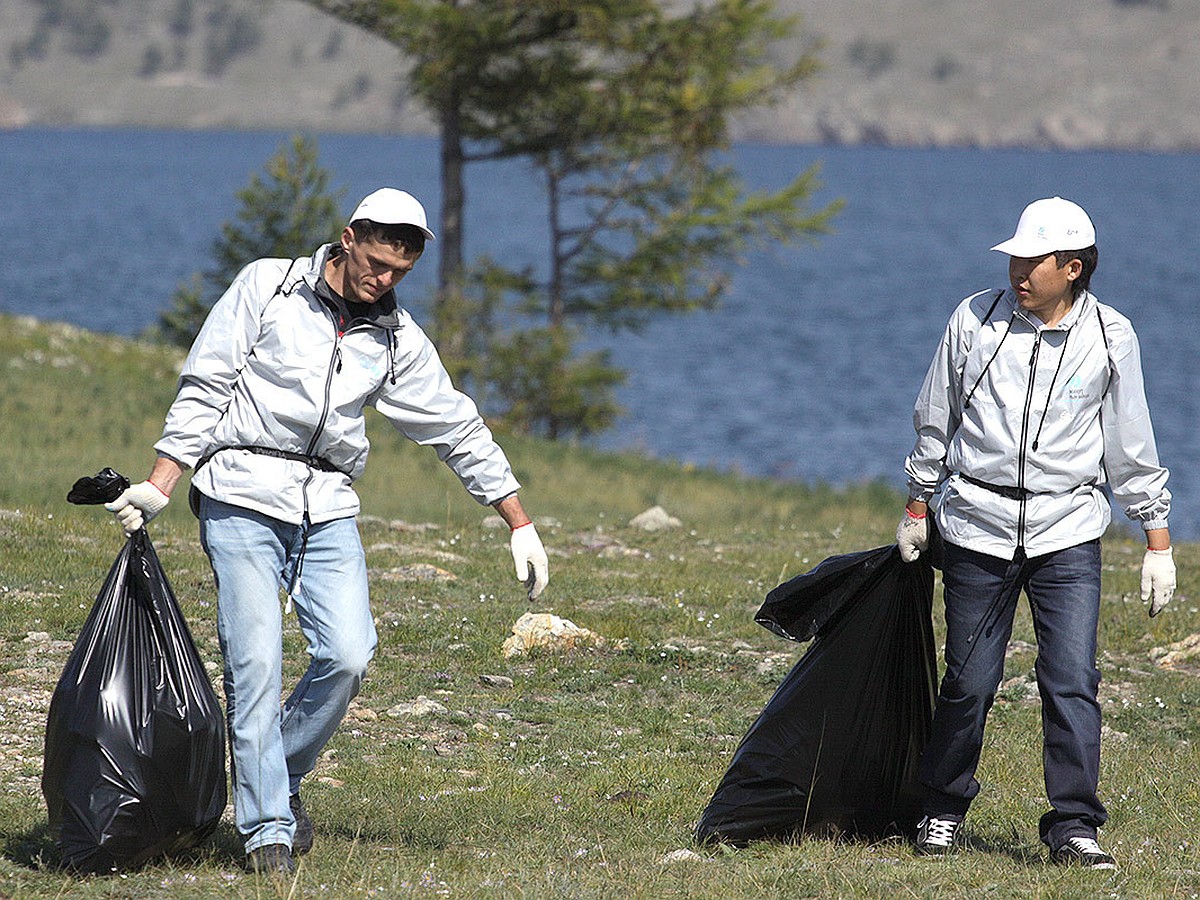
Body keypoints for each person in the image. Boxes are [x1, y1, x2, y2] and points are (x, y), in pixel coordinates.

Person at [106, 188, 549, 876]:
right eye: (376, 263)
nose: (385, 280)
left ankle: (270, 777)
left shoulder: (396, 336)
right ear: (348, 238)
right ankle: (267, 835)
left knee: (348, 653)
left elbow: (455, 425)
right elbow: (207, 382)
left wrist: (517, 519)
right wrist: (162, 480)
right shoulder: (268, 286)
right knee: (255, 663)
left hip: (328, 504)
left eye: (400, 272)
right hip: (241, 491)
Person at [895, 197, 1174, 870]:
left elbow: (1129, 443)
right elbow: (937, 413)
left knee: (1071, 680)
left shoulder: (1112, 336)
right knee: (968, 681)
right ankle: (941, 809)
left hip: (1068, 531)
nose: (1019, 271)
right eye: (1015, 257)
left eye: (1033, 260)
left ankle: (1074, 827)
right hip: (975, 527)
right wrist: (916, 504)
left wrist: (1156, 539)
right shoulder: (975, 319)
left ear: (1072, 268)